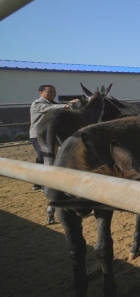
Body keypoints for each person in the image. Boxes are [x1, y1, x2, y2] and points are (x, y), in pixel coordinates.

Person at [29, 84, 78, 224]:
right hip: (38, 135)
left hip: (51, 135)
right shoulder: (37, 104)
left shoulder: (54, 103)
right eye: (49, 92)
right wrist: (66, 106)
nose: (52, 94)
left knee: (50, 160)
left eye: (54, 91)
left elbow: (58, 105)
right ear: (41, 92)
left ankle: (42, 183)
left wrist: (69, 104)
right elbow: (49, 108)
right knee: (43, 159)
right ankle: (43, 185)